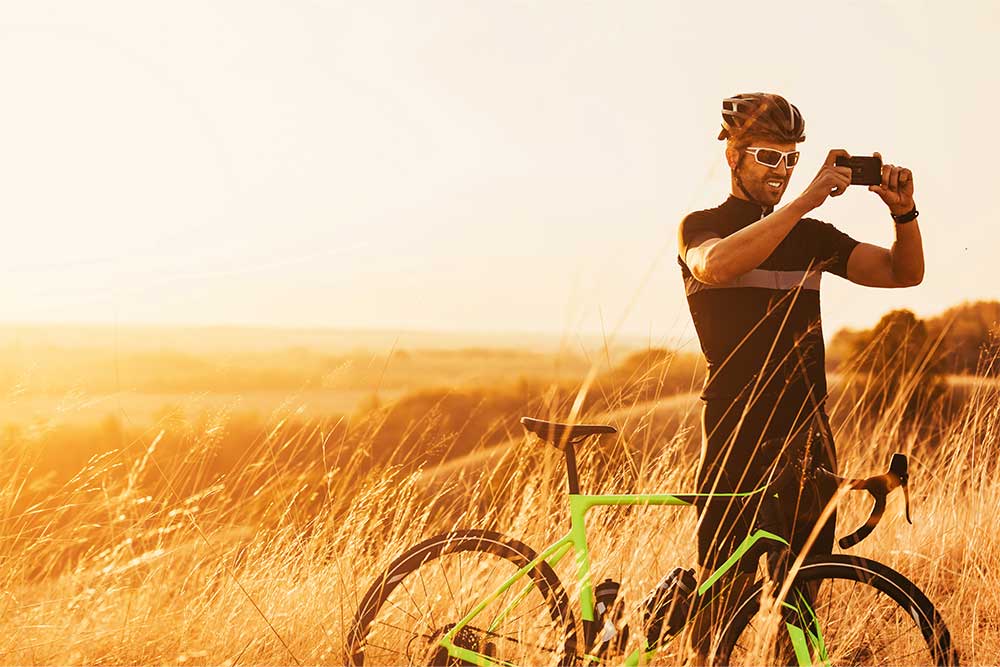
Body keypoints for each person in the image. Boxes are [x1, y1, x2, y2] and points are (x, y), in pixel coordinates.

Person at [677, 92, 923, 658]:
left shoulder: (813, 239)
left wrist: (904, 213)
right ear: (733, 157)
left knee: (802, 611)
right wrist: (806, 200)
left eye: (790, 161)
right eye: (768, 158)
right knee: (719, 610)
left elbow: (902, 274)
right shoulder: (702, 226)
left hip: (809, 439)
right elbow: (715, 267)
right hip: (737, 439)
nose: (781, 173)